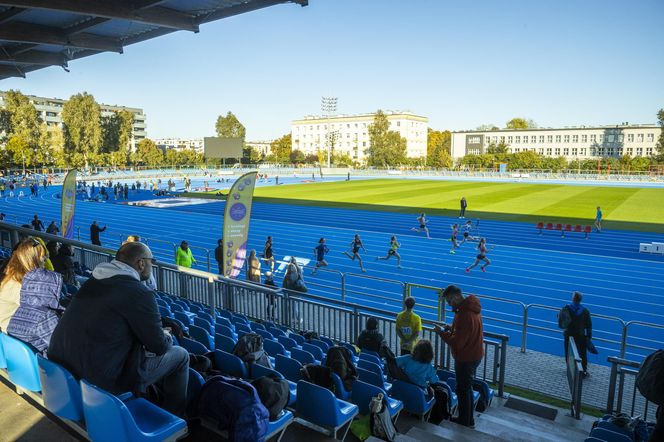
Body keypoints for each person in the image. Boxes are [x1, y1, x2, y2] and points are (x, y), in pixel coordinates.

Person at [48, 242, 189, 416]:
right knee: (181, 355)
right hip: (100, 380)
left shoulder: (94, 281)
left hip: (64, 370)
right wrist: (166, 334)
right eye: (151, 261)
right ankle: (175, 417)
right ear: (141, 263)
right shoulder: (139, 292)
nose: (152, 266)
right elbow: (159, 346)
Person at [434, 284, 484, 428]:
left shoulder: (464, 314)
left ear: (455, 296)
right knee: (466, 388)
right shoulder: (471, 307)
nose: (449, 305)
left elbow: (457, 343)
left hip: (466, 358)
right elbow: (466, 331)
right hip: (475, 353)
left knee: (463, 390)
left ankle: (464, 421)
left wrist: (442, 333)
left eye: (449, 301)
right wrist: (451, 328)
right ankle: (468, 420)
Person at [7, 268, 63, 355]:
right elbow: (62, 347)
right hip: (42, 366)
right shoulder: (46, 316)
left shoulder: (20, 311)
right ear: (49, 289)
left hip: (19, 364)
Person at [0, 238, 47, 331]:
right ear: (32, 260)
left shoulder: (11, 275)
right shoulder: (18, 284)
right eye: (42, 257)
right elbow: (40, 312)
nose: (44, 261)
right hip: (11, 335)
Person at [561, 291, 592, 377]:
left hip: (569, 335)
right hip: (580, 335)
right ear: (580, 300)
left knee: (568, 352)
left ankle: (570, 370)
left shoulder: (566, 308)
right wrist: (589, 337)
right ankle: (583, 371)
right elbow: (589, 325)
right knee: (582, 353)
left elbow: (562, 323)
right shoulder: (585, 311)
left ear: (573, 298)